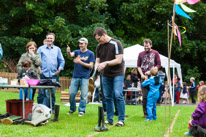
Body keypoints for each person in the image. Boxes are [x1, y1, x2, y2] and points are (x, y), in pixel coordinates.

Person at [93, 27, 125, 126]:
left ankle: (121, 119)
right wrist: (96, 67)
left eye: (99, 39)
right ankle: (109, 119)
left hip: (117, 73)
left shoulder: (116, 43)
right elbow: (97, 61)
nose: (98, 41)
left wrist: (105, 63)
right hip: (105, 74)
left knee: (117, 94)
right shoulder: (99, 46)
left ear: (103, 35)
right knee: (107, 97)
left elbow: (118, 60)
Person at [66, 37, 95, 116]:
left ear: (86, 44)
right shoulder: (76, 52)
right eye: (79, 43)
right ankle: (72, 109)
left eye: (82, 43)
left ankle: (81, 110)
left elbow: (91, 66)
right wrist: (68, 52)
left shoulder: (90, 53)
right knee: (71, 93)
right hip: (75, 76)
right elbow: (70, 55)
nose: (80, 45)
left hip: (85, 77)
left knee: (84, 95)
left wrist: (80, 62)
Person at [37, 32, 65, 111]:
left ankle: (51, 109)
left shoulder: (57, 49)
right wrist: (39, 70)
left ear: (53, 39)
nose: (49, 39)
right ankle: (40, 109)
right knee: (41, 93)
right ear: (46, 38)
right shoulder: (41, 48)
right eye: (48, 38)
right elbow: (36, 60)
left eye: (51, 38)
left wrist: (59, 70)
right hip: (43, 74)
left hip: (53, 74)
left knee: (51, 93)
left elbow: (62, 61)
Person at [137, 39, 161, 118]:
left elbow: (159, 65)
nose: (146, 47)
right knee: (145, 96)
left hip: (153, 77)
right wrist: (141, 75)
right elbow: (138, 66)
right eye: (144, 46)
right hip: (144, 77)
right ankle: (146, 113)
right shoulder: (140, 54)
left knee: (153, 95)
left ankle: (153, 113)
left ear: (151, 45)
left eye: (147, 46)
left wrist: (151, 72)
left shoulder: (155, 53)